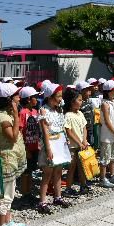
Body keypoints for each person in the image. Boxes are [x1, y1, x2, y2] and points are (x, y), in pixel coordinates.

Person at [0, 83, 27, 226]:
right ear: (9, 100)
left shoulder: (7, 114)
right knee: (4, 195)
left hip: (10, 160)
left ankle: (8, 220)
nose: (19, 98)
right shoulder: (1, 116)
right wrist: (16, 114)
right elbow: (12, 137)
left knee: (10, 191)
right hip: (4, 160)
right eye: (16, 96)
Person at [37, 83, 70, 214]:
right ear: (50, 97)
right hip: (50, 143)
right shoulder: (43, 111)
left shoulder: (58, 110)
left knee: (58, 171)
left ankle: (58, 196)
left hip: (59, 142)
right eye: (58, 96)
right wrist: (48, 149)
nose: (61, 99)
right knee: (47, 173)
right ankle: (42, 201)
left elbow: (62, 128)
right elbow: (45, 131)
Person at [63, 89, 89, 196]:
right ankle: (68, 188)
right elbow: (69, 131)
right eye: (79, 100)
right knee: (72, 167)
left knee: (82, 167)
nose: (81, 102)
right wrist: (79, 143)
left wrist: (84, 140)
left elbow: (84, 128)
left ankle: (83, 185)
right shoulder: (68, 115)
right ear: (72, 101)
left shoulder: (80, 114)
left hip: (82, 145)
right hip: (72, 146)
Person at [99, 80, 114, 188]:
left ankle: (112, 175)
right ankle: (103, 178)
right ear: (108, 92)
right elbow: (107, 121)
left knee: (113, 156)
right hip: (107, 135)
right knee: (105, 157)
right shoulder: (105, 104)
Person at [18, 86, 40, 201]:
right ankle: (24, 194)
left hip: (35, 145)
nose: (37, 100)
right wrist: (25, 149)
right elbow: (20, 131)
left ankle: (29, 192)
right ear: (28, 99)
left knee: (31, 170)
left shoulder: (36, 112)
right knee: (25, 172)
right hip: (27, 147)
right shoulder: (23, 113)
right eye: (35, 97)